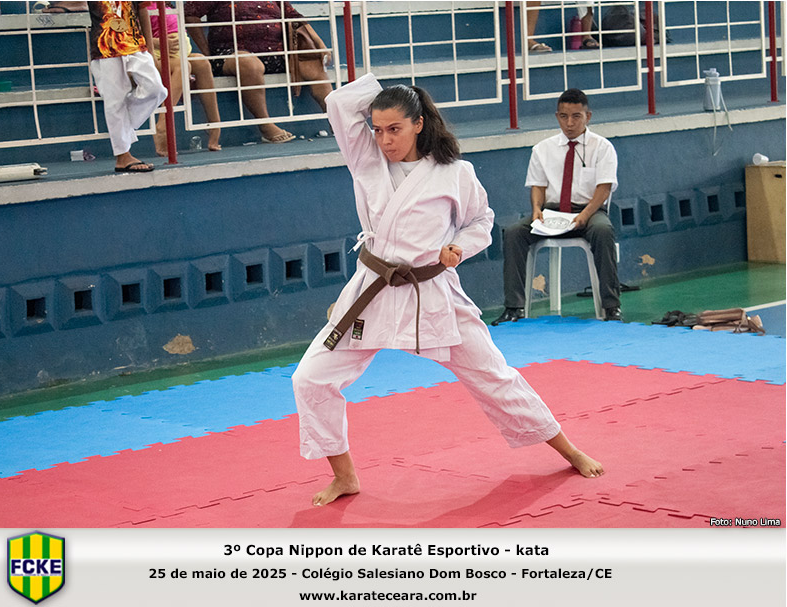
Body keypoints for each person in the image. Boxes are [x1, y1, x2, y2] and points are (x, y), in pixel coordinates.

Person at [292, 73, 604, 508]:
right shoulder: (365, 160)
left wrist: (460, 247)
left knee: (493, 376)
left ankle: (568, 450)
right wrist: (392, 94)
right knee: (309, 378)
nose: (385, 140)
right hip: (373, 291)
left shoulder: (455, 173)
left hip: (433, 292)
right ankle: (344, 477)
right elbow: (340, 105)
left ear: (419, 123)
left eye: (395, 128)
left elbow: (481, 221)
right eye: (377, 129)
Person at [491, 88, 621, 326]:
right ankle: (514, 307)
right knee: (513, 233)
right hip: (552, 211)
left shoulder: (602, 147)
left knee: (603, 231)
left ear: (588, 117)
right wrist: (536, 210)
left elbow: (603, 189)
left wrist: (584, 215)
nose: (569, 123)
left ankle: (611, 306)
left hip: (589, 211)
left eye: (576, 117)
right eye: (563, 116)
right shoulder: (543, 149)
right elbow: (537, 186)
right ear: (557, 116)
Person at [184, 1, 333, 144]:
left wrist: (320, 45)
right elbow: (190, 14)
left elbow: (295, 17)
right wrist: (207, 52)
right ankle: (265, 125)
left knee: (313, 62)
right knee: (249, 64)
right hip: (230, 53)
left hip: (275, 52)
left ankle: (335, 119)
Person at [88, 1, 168, 172]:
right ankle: (123, 156)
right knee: (115, 101)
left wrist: (150, 50)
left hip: (135, 44)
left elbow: (143, 9)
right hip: (105, 46)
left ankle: (123, 127)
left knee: (156, 89)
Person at [141, 1, 221, 155]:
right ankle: (163, 125)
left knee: (202, 63)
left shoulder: (169, 4)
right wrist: (158, 43)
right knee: (183, 66)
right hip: (150, 57)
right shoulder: (137, 5)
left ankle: (214, 125)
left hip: (176, 53)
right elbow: (128, 37)